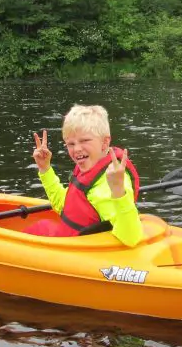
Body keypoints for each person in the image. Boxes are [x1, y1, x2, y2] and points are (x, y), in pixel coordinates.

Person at [27, 104, 144, 247]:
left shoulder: (109, 184)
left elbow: (131, 238)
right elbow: (66, 207)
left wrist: (118, 190)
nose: (76, 149)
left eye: (84, 141)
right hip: (72, 240)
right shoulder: (90, 167)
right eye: (70, 143)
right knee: (42, 226)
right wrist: (45, 169)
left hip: (80, 253)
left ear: (104, 142)